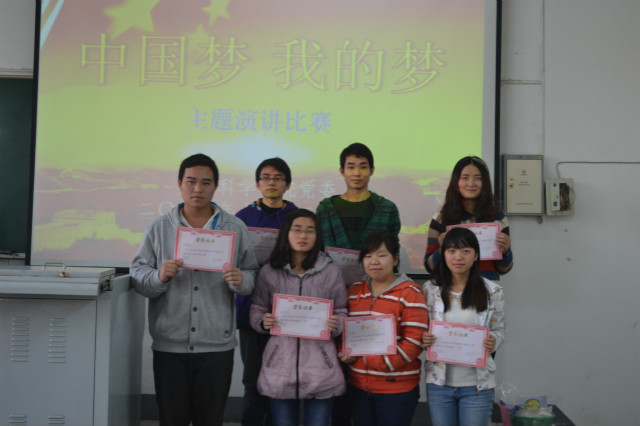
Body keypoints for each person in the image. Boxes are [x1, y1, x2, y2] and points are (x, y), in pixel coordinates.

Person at [130, 153, 259, 426]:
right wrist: (159, 276)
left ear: (216, 186)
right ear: (179, 183)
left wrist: (240, 279)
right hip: (170, 346)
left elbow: (252, 275)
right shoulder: (159, 228)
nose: (198, 188)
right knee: (171, 419)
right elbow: (138, 277)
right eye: (191, 181)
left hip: (217, 346)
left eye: (206, 182)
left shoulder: (234, 228)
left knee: (210, 420)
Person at [250, 209, 348, 426]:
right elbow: (257, 308)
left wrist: (337, 324)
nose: (303, 235)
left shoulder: (331, 272)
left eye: (310, 231)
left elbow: (342, 309)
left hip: (320, 368)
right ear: (286, 233)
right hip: (280, 365)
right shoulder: (270, 271)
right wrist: (263, 321)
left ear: (317, 236)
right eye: (297, 230)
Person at [338, 231, 428, 426]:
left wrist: (382, 363)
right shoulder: (354, 291)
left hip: (397, 389)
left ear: (395, 259)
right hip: (358, 386)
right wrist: (344, 351)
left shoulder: (410, 293)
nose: (374, 261)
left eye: (381, 255)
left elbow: (415, 340)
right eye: (368, 256)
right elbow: (345, 331)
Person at [235, 157, 298, 426]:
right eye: (266, 178)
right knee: (252, 379)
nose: (272, 182)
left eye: (278, 178)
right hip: (250, 307)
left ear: (287, 184)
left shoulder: (297, 218)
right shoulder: (241, 218)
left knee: (282, 379)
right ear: (257, 183)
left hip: (288, 311)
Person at [422, 227, 506, 426]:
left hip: (477, 385)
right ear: (443, 254)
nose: (458, 257)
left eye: (466, 251)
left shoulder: (493, 291)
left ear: (476, 256)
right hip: (439, 384)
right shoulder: (430, 290)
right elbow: (420, 329)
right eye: (451, 251)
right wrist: (423, 337)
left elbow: (500, 330)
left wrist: (494, 340)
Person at [424, 156, 513, 280]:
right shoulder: (441, 218)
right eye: (465, 178)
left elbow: (504, 269)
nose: (471, 184)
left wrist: (506, 252)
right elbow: (430, 267)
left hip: (485, 287)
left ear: (485, 183)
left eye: (478, 178)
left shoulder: (497, 216)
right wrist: (442, 249)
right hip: (450, 288)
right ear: (456, 181)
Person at [316, 142, 400, 251]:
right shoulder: (326, 209)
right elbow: (318, 250)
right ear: (342, 171)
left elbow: (393, 250)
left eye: (363, 167)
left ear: (372, 170)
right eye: (351, 167)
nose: (357, 173)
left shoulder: (387, 209)